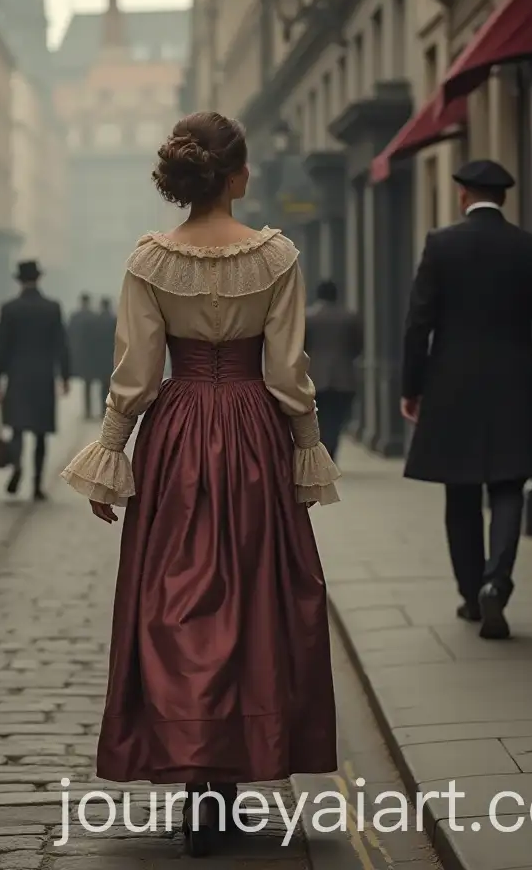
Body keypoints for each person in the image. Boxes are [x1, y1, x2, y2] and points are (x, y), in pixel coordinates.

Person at [60, 112, 340, 856]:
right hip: (252, 432)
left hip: (179, 433)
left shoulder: (150, 261)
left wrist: (111, 455)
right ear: (236, 174)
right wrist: (307, 449)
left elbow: (136, 375)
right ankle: (230, 777)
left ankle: (197, 781)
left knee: (176, 600)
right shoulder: (276, 256)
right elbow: (286, 373)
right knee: (253, 598)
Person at [400, 159, 532, 641]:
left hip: (451, 384)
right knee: (509, 486)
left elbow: (418, 324)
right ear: (504, 199)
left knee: (460, 491)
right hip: (517, 382)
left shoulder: (441, 244)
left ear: (462, 195)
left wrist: (411, 387)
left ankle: (472, 595)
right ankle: (498, 578)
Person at [0, 260, 70, 501]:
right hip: (43, 377)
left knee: (17, 428)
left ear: (19, 280)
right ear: (39, 279)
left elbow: (1, 347)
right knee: (40, 433)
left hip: (17, 377)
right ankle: (37, 485)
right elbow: (61, 346)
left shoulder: (10, 308)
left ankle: (17, 467)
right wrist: (65, 376)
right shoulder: (52, 308)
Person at [305, 279, 363, 460]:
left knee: (317, 418)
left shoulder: (308, 317)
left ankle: (321, 451)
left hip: (315, 376)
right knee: (336, 419)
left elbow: (301, 346)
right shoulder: (349, 317)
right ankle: (331, 451)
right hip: (343, 376)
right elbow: (357, 347)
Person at [67, 293, 97, 420]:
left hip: (81, 354)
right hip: (92, 354)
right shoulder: (94, 317)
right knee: (93, 383)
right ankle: (94, 409)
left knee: (87, 383)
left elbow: (69, 335)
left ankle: (87, 410)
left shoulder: (75, 317)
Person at [86, 297, 117, 415]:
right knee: (106, 385)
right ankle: (104, 410)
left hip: (97, 357)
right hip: (109, 357)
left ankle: (88, 410)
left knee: (90, 384)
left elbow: (91, 340)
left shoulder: (95, 320)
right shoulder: (114, 320)